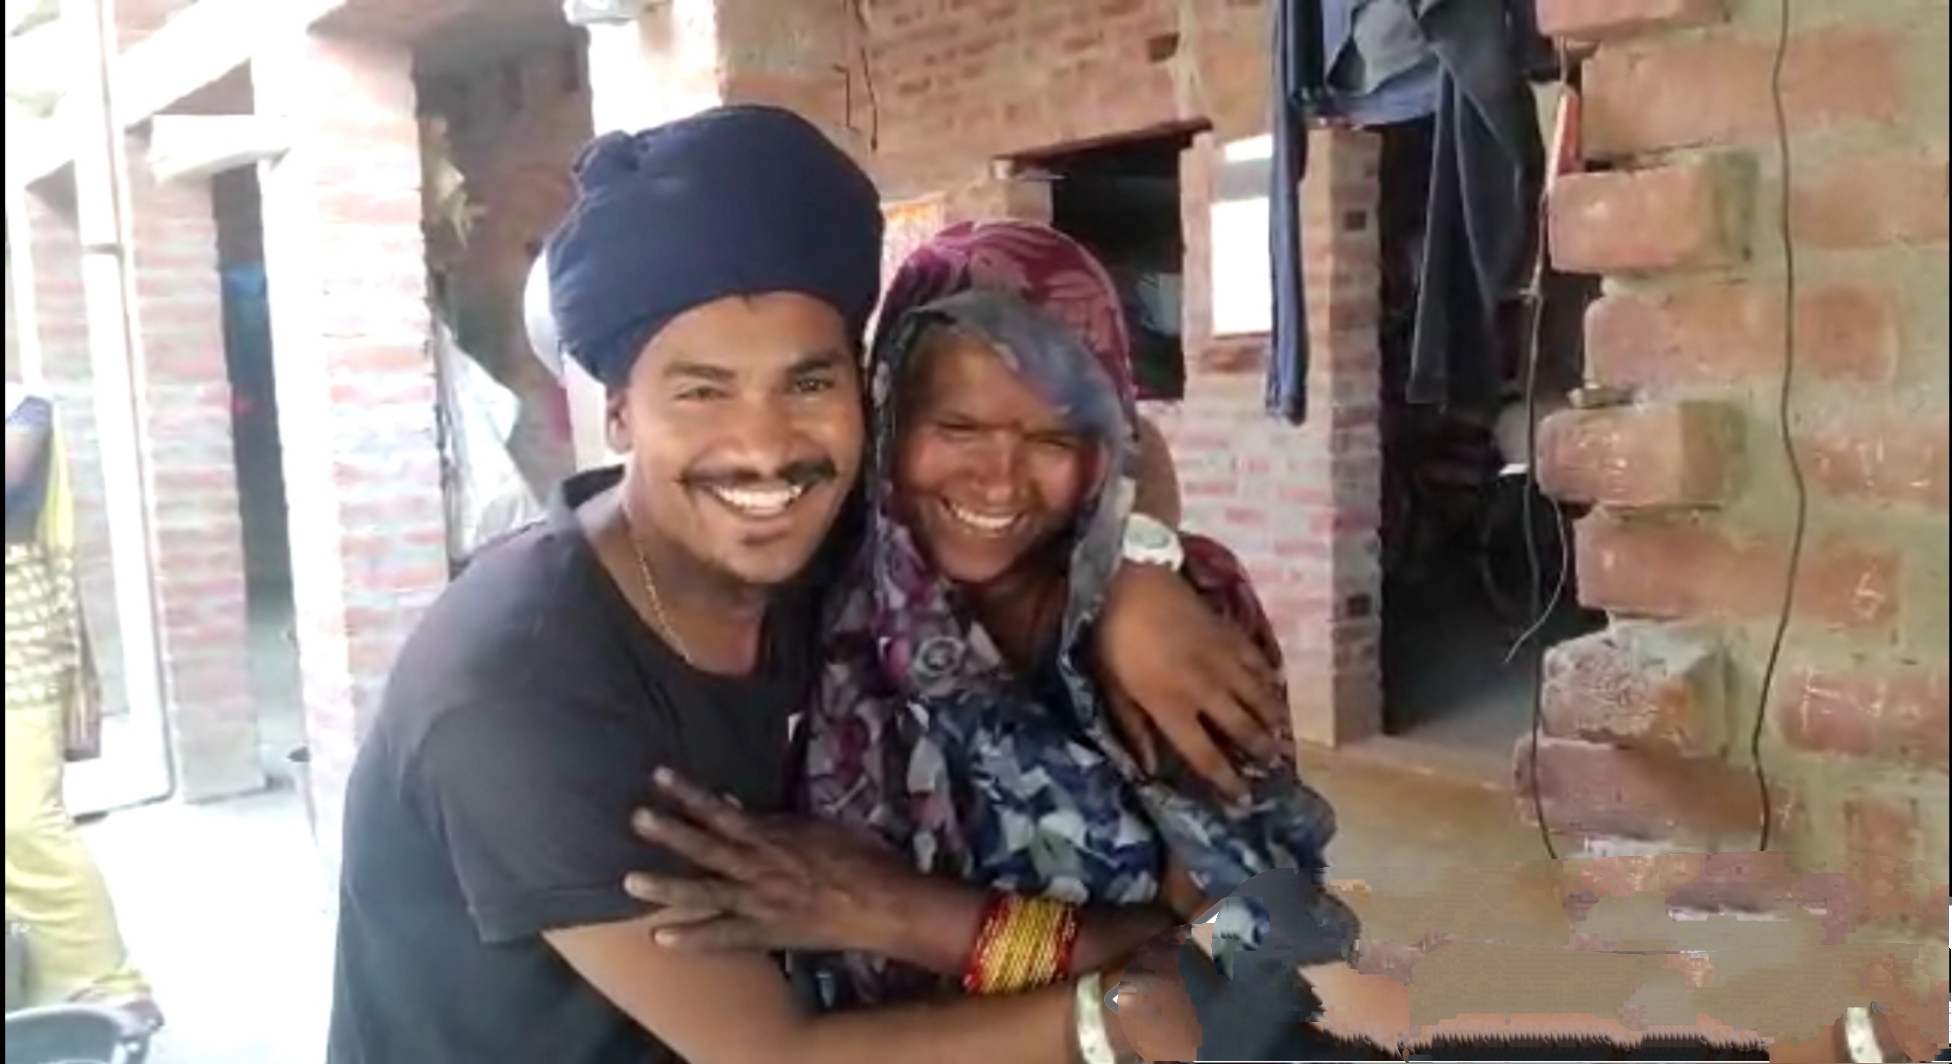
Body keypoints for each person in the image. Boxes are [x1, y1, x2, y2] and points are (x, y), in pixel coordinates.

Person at [327, 104, 1277, 1064]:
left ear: (863, 397)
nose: (764, 446)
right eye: (702, 390)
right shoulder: (515, 694)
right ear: (618, 413)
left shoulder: (841, 518)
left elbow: (1105, 438)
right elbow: (777, 1057)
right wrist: (1121, 1015)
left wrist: (1134, 576)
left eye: (809, 383)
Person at [626, 221, 1339, 1019]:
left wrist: (901, 915)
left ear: (1100, 445)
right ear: (885, 413)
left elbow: (1241, 954)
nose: (999, 481)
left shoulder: (1188, 618)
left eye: (1053, 437)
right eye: (957, 428)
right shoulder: (811, 579)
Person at [4, 374, 159, 1030]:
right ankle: (40, 979)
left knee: (23, 821)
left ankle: (108, 982)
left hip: (17, 648)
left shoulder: (23, 412)